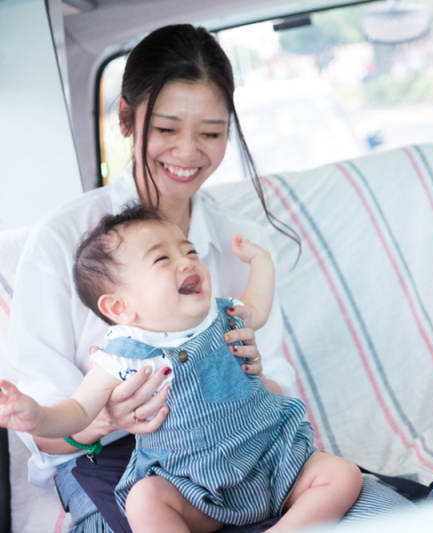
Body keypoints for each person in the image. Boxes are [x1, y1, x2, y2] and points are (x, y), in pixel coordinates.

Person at [8, 24, 412, 533]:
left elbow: (276, 384)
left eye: (211, 133)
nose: (188, 152)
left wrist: (249, 372)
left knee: (391, 516)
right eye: (168, 128)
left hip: (252, 450)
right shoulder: (62, 242)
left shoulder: (237, 239)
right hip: (120, 463)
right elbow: (45, 433)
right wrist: (112, 416)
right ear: (127, 119)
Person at [1, 205, 363, 533]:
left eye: (189, 250)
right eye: (162, 259)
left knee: (342, 475)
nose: (187, 261)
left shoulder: (224, 315)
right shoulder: (125, 356)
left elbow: (260, 305)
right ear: (120, 307)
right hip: (197, 489)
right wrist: (35, 414)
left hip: (275, 461)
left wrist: (262, 262)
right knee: (144, 500)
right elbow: (77, 411)